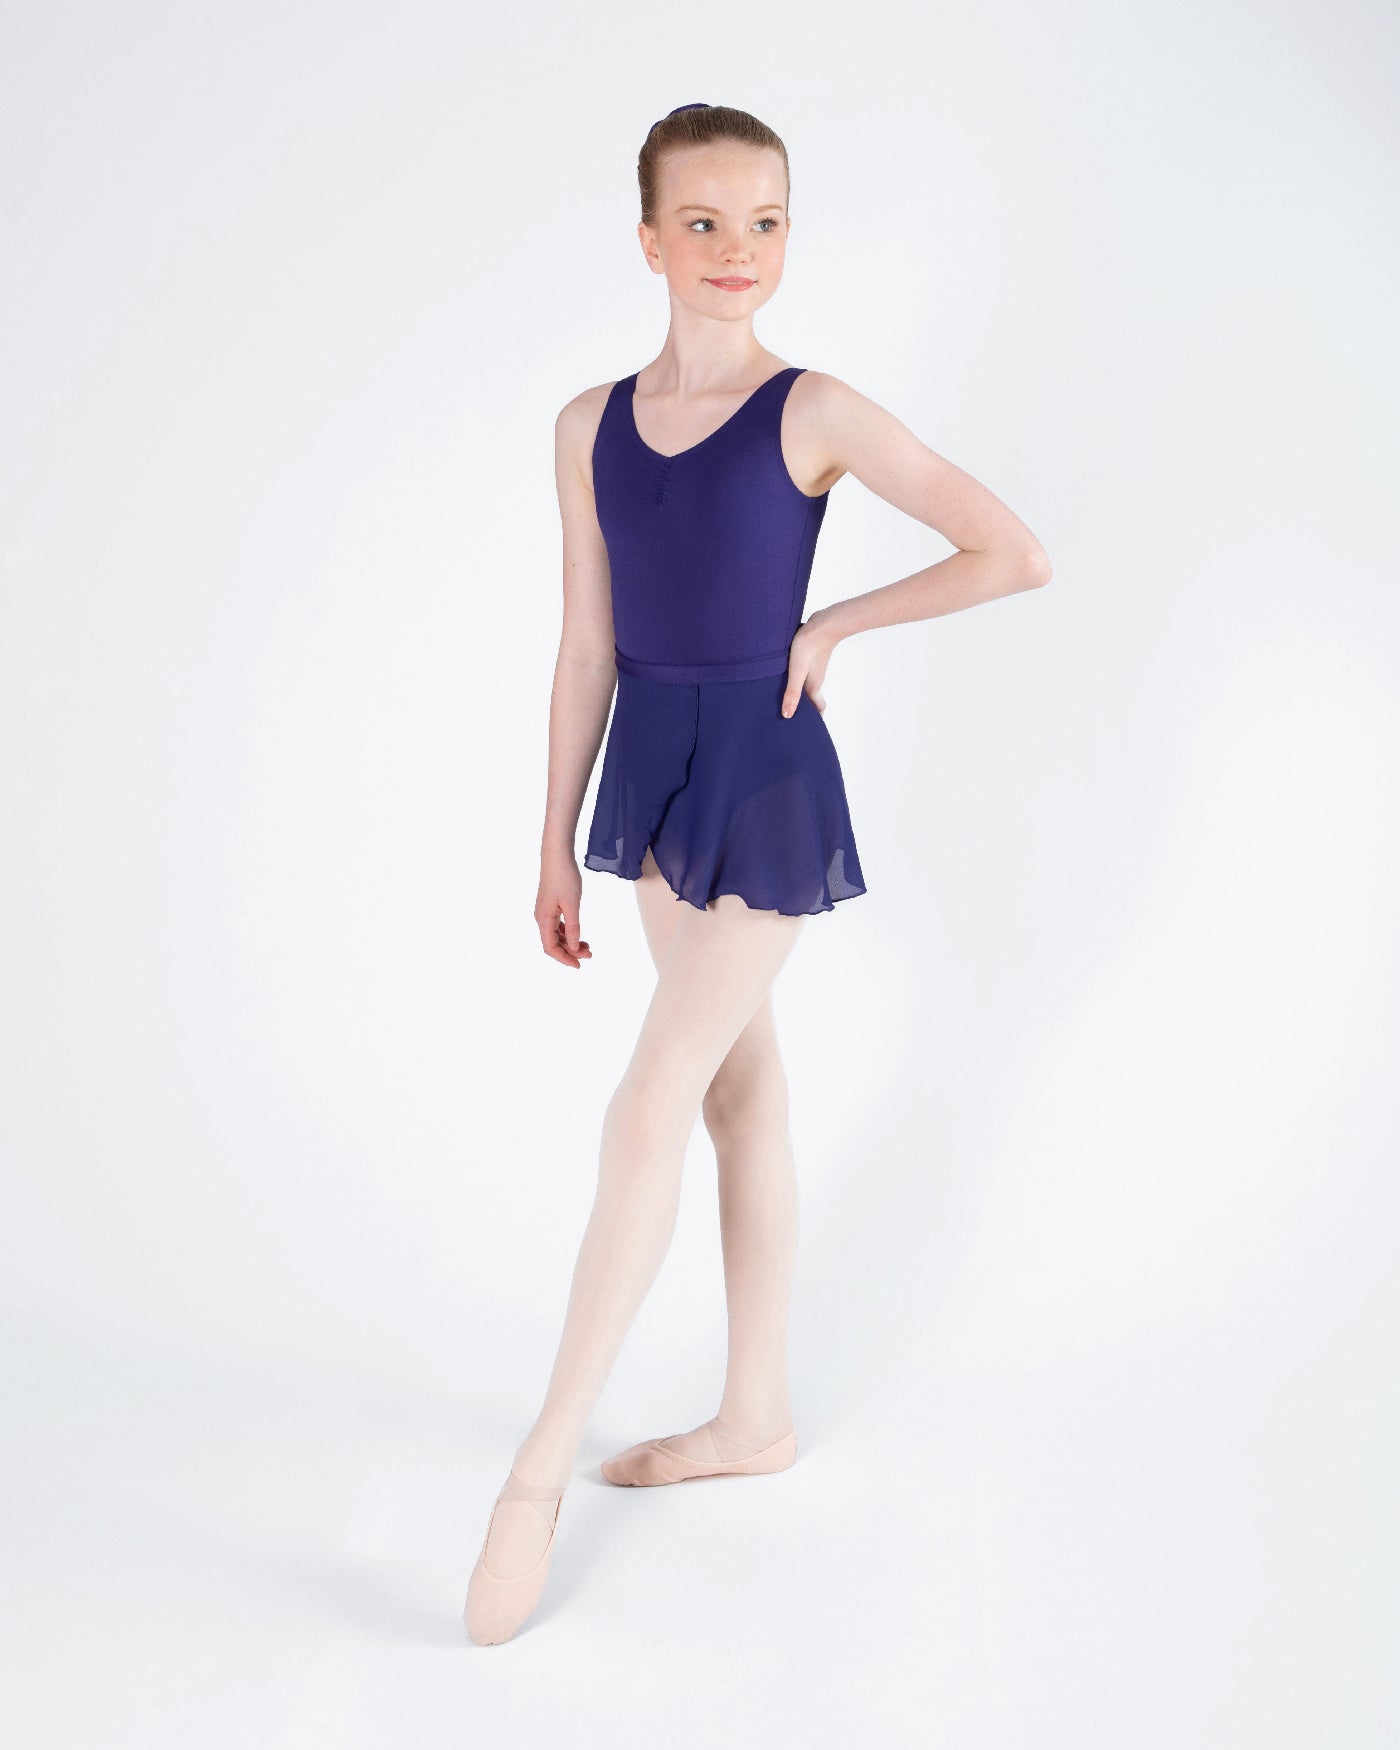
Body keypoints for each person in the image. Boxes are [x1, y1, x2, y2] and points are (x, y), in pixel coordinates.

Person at [465, 101, 1052, 1646]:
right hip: (653, 776)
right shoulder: (586, 425)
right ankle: (756, 1414)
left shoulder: (814, 409)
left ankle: (536, 1466)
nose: (740, 250)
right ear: (650, 240)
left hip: (764, 774)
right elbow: (586, 645)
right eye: (706, 223)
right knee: (739, 1088)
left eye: (767, 221)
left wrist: (837, 623)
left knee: (651, 1095)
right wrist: (552, 836)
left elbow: (1012, 548)